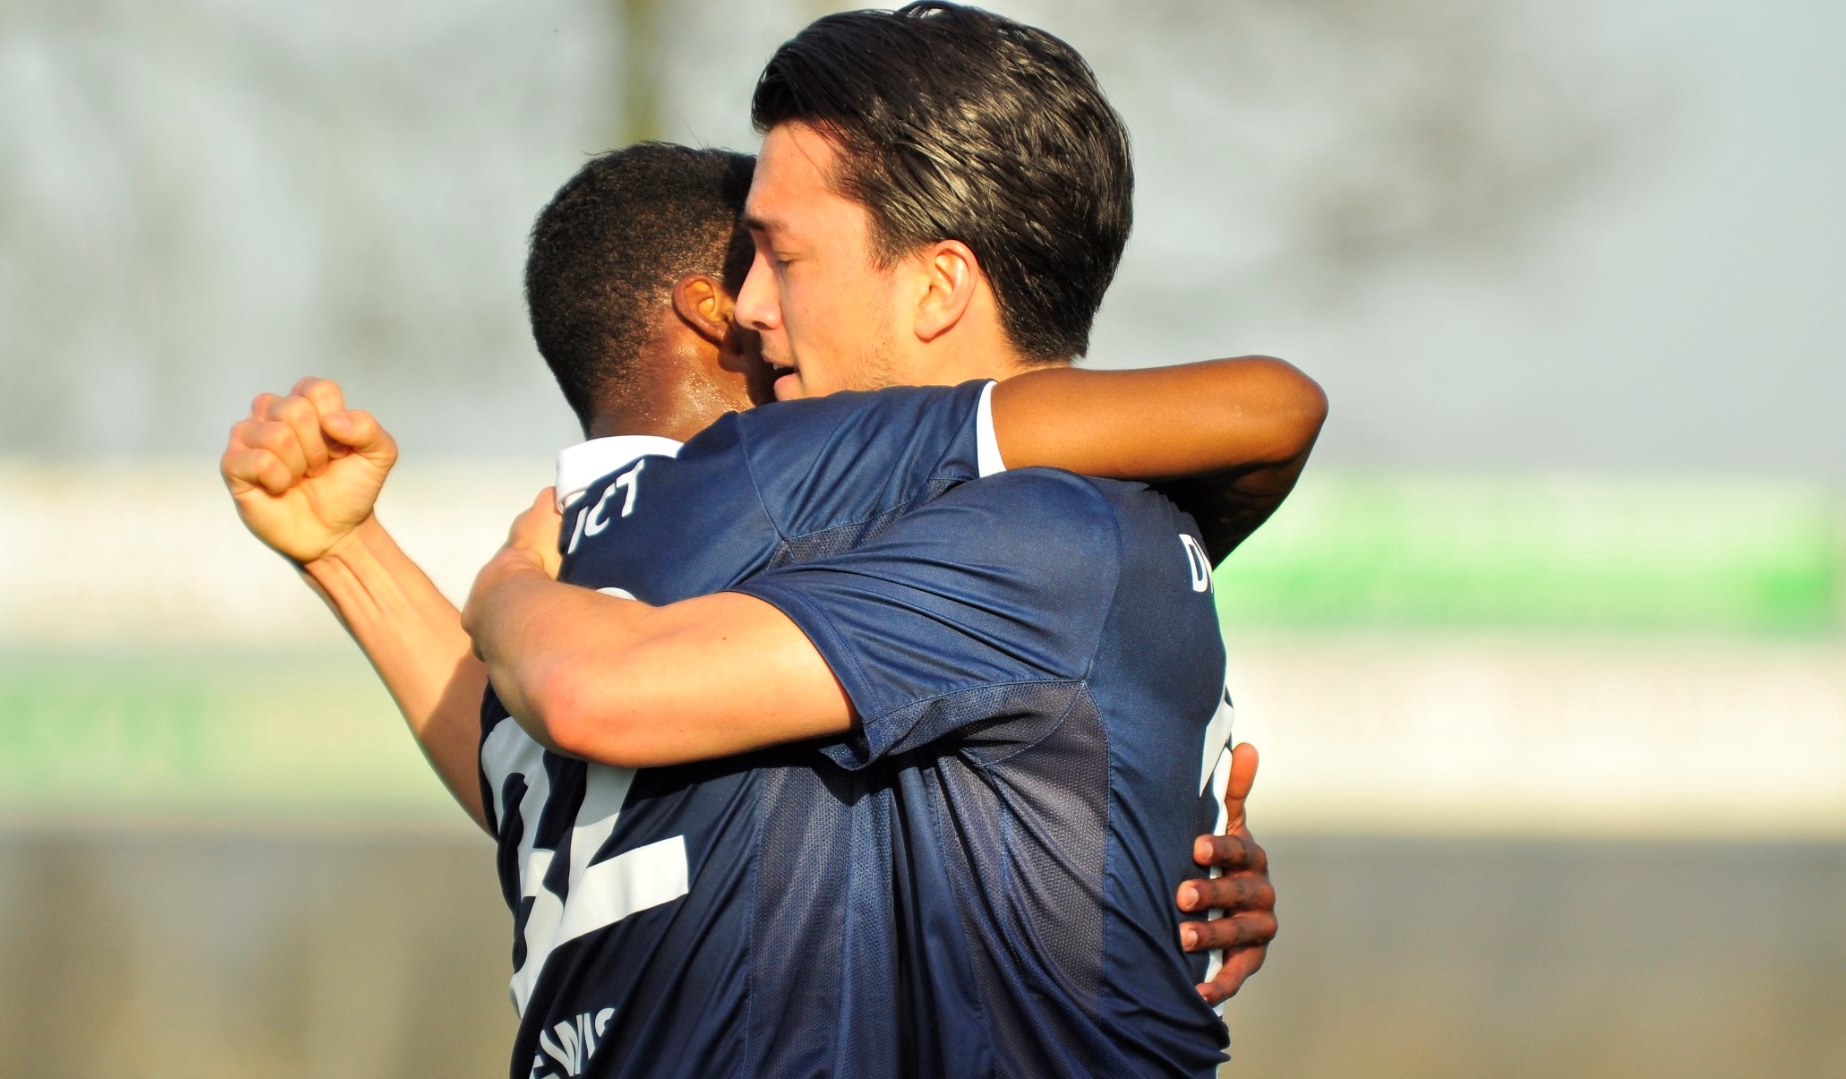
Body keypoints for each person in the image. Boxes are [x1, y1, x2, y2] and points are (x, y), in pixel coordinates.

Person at [226, 137, 1299, 1077]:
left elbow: (539, 766)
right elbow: (1259, 407)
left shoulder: (580, 571)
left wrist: (349, 553)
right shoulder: (784, 473)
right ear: (713, 306)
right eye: (776, 261)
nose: (776, 304)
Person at [462, 5, 1322, 1075]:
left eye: (779, 254)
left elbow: (598, 693)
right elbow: (578, 784)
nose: (744, 305)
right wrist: (345, 553)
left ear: (936, 285)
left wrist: (503, 587)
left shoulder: (1036, 539)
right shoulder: (1018, 542)